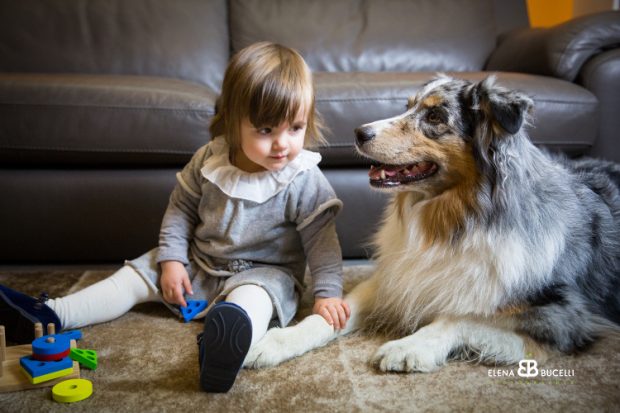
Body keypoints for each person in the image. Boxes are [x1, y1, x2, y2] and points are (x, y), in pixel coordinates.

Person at [0, 42, 349, 393]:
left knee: (252, 302)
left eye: (295, 128)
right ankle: (51, 314)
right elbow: (180, 211)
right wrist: (171, 261)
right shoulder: (209, 160)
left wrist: (327, 294)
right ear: (232, 120)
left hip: (263, 274)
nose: (282, 144)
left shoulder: (303, 177)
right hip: (197, 262)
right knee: (132, 277)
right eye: (265, 130)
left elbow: (322, 243)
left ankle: (224, 342)